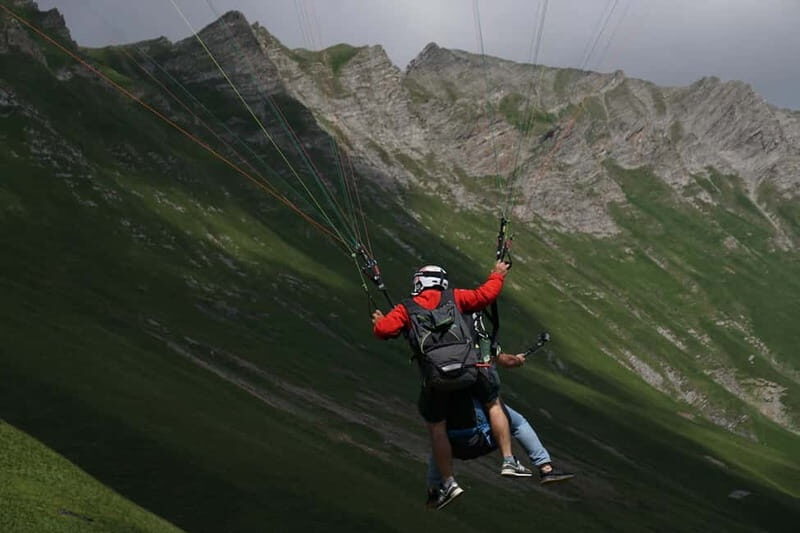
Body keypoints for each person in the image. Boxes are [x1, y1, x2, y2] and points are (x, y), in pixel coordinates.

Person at [372, 262, 529, 510]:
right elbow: (485, 295)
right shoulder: (455, 297)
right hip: (469, 370)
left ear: (420, 282)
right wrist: (497, 275)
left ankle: (447, 482)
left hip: (436, 379)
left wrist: (380, 320)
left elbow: (383, 330)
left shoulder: (406, 309)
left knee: (437, 427)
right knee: (493, 404)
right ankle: (509, 459)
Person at [425, 349, 575, 508]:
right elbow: (504, 359)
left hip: (444, 404)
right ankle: (544, 467)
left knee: (439, 436)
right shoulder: (473, 335)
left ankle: (435, 489)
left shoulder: (431, 344)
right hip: (478, 413)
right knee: (517, 423)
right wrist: (517, 360)